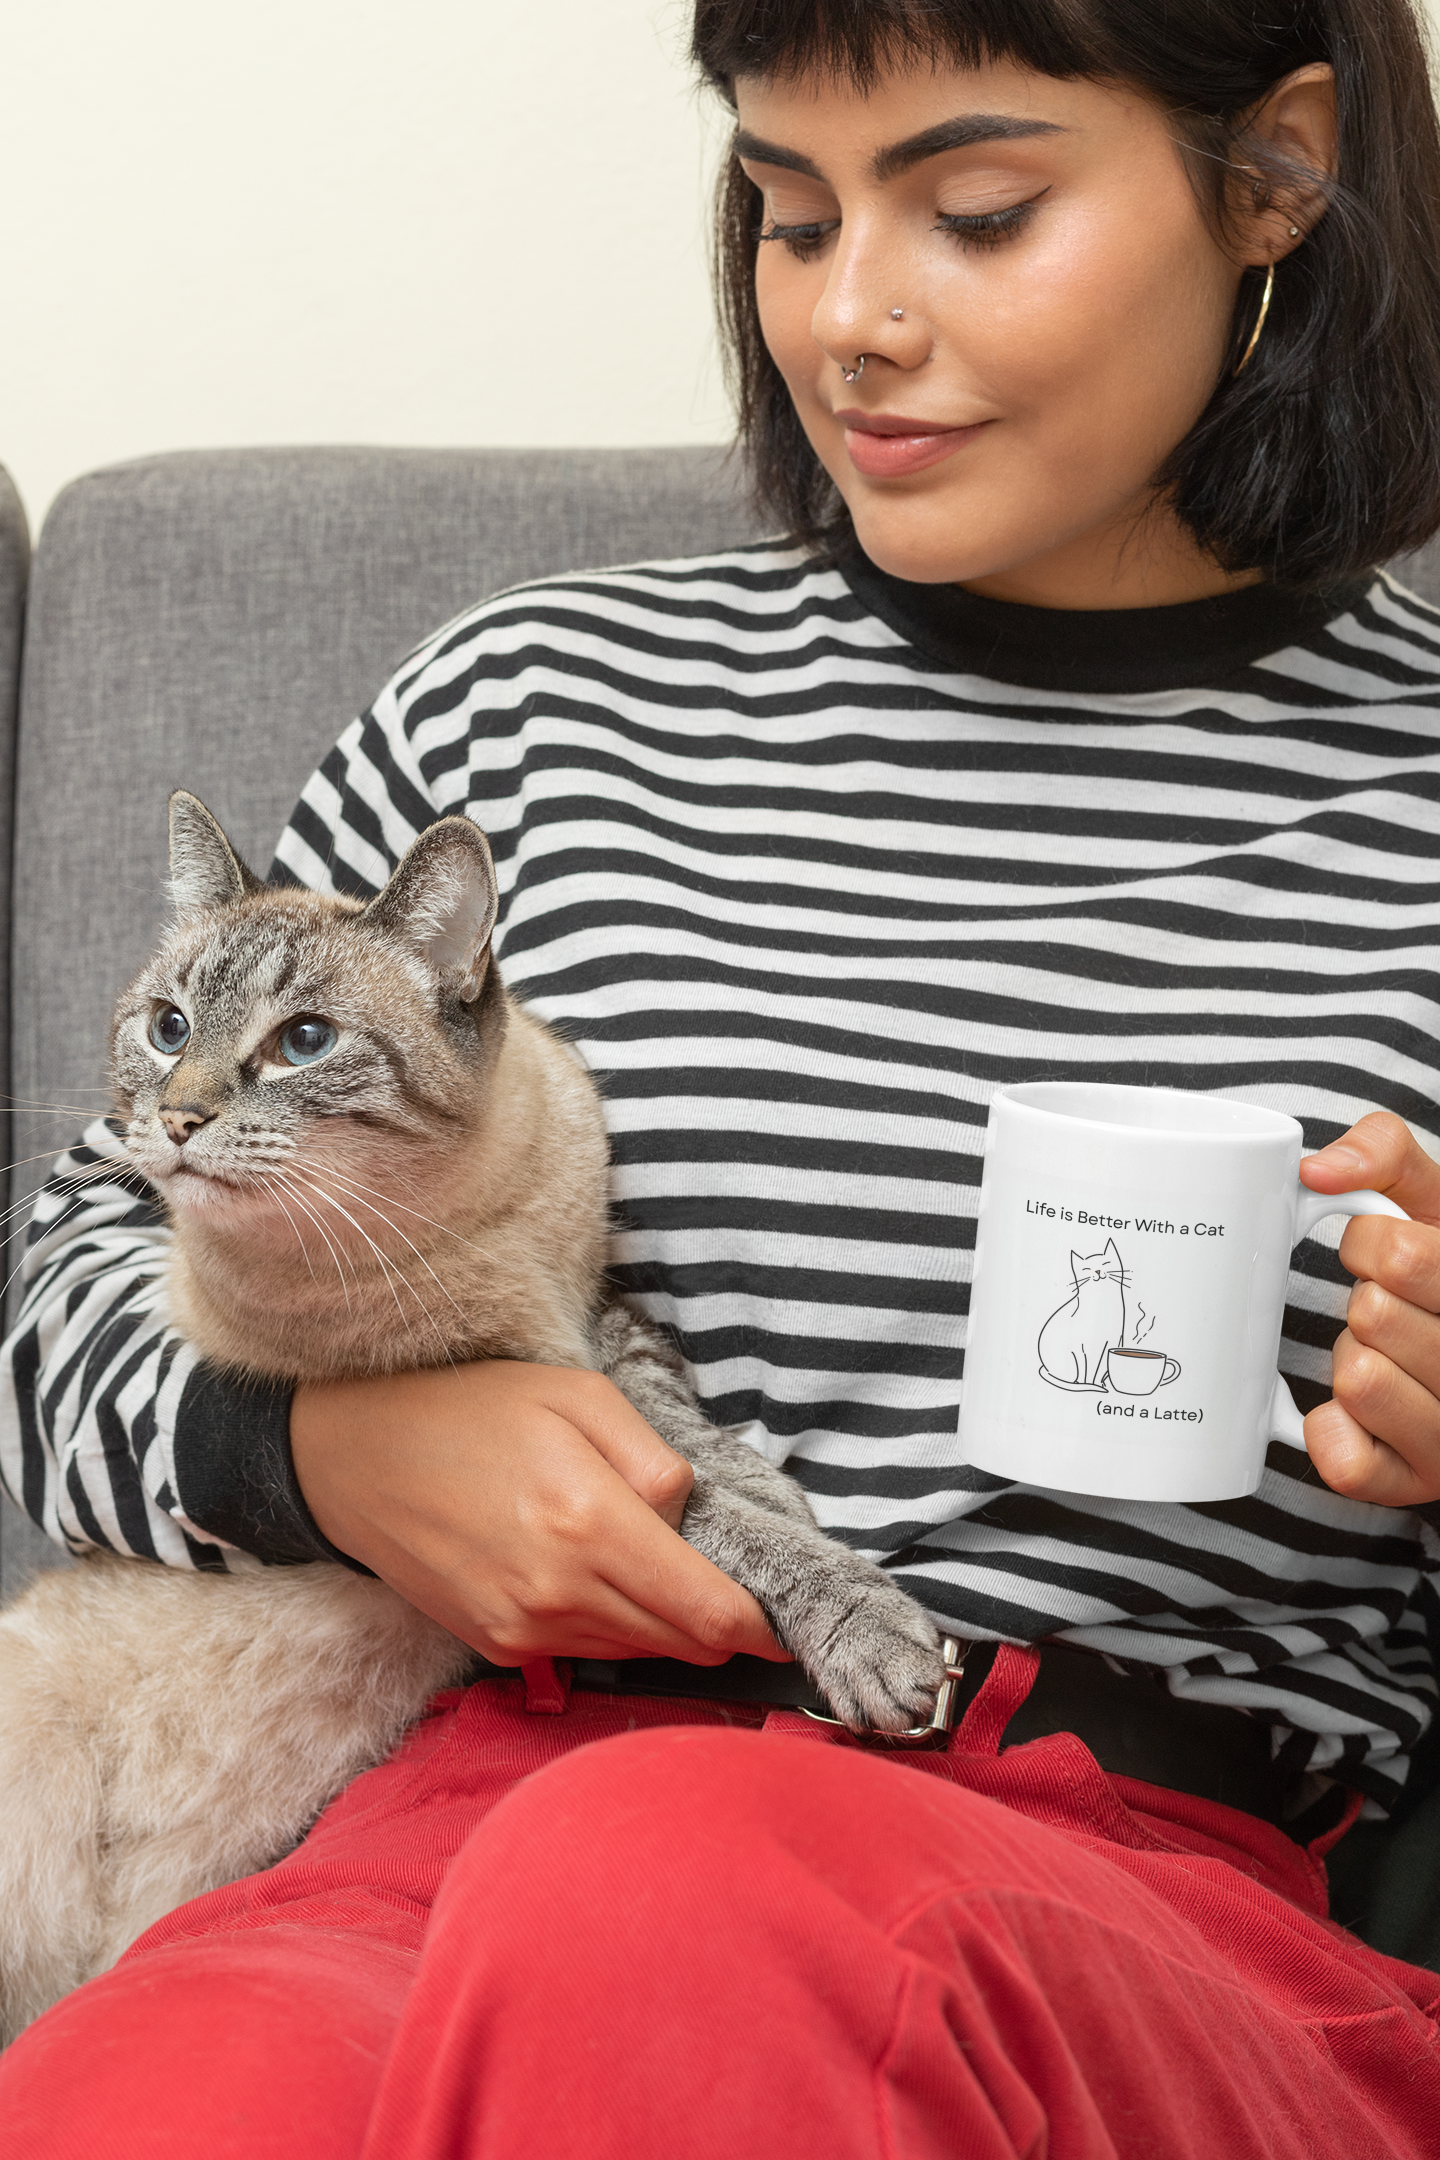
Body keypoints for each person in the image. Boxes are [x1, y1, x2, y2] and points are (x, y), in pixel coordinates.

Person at [3, 0, 1440, 2150]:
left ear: (1272, 177)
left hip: (1144, 1900)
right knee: (160, 2094)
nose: (844, 317)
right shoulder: (534, 714)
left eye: (975, 211)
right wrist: (328, 1458)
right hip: (459, 1809)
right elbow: (70, 1289)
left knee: (672, 1894)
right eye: (782, 212)